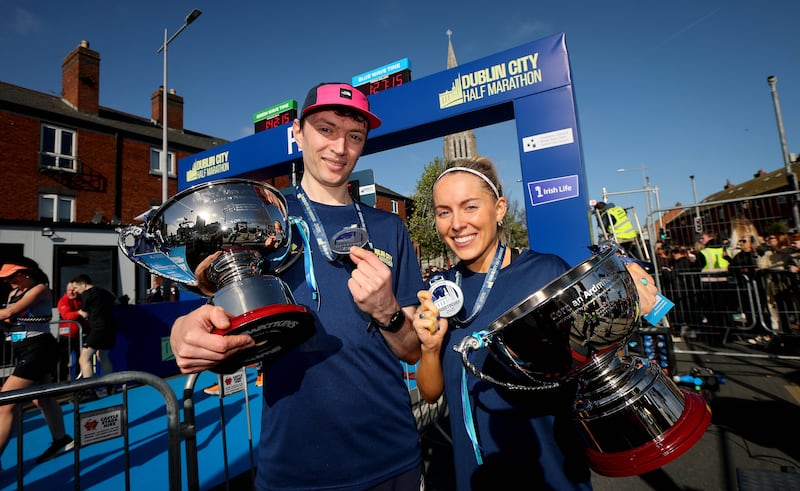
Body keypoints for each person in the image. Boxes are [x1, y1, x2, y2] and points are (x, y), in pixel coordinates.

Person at [169, 82, 425, 490]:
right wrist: (185, 331)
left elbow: (412, 350)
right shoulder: (260, 216)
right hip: (294, 465)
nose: (340, 148)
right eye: (325, 129)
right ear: (297, 132)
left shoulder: (389, 227)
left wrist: (387, 311)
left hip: (392, 457)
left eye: (354, 136)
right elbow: (209, 317)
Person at [411, 157, 658, 490]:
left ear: (499, 209)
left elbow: (597, 360)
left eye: (469, 207)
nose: (456, 224)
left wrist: (622, 288)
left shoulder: (546, 274)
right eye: (444, 211)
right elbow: (430, 393)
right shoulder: (440, 290)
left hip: (551, 473)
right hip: (474, 476)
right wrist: (429, 348)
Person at [0, 258, 74, 465]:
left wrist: (8, 317)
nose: (7, 281)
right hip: (22, 348)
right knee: (41, 397)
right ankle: (61, 439)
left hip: (38, 349)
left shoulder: (41, 289)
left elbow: (10, 313)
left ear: (25, 273)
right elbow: (8, 319)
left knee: (5, 404)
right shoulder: (12, 294)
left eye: (11, 276)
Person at [71, 274, 118, 391]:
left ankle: (88, 389)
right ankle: (110, 385)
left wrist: (78, 311)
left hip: (98, 328)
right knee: (102, 355)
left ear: (83, 284)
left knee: (84, 358)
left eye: (76, 288)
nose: (75, 291)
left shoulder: (87, 294)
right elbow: (117, 302)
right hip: (110, 327)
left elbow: (85, 313)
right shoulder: (104, 291)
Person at [56, 281, 87, 380]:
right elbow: (66, 315)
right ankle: (60, 381)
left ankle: (79, 379)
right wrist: (79, 312)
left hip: (80, 335)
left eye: (73, 290)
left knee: (80, 358)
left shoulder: (81, 299)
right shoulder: (63, 301)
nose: (71, 292)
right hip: (65, 337)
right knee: (63, 360)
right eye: (69, 290)